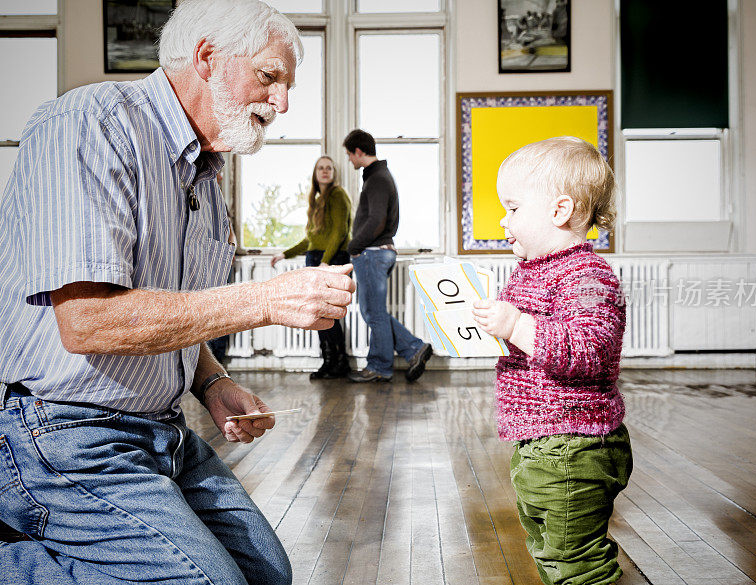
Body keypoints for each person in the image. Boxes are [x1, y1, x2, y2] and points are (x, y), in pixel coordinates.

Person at [0, 1, 356, 584]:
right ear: (207, 58)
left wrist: (210, 380)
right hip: (62, 433)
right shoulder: (91, 125)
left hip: (161, 429)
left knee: (267, 575)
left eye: (288, 86)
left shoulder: (205, 175)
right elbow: (88, 321)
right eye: (269, 76)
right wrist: (263, 301)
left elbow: (174, 309)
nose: (283, 103)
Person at [472, 137, 633, 585]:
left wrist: (516, 325)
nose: (503, 221)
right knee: (549, 546)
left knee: (574, 561)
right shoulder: (533, 270)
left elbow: (588, 351)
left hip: (574, 444)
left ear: (560, 211)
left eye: (514, 208)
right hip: (541, 441)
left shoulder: (587, 274)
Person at [343, 129, 433, 383]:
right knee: (375, 312)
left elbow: (377, 221)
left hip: (372, 253)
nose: (349, 159)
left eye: (350, 154)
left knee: (374, 313)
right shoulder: (377, 177)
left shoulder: (378, 178)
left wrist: (354, 246)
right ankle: (413, 348)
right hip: (375, 253)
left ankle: (381, 365)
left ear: (359, 152)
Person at [272, 155, 353, 379]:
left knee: (329, 316)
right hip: (316, 259)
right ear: (315, 174)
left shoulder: (338, 195)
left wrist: (325, 262)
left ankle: (340, 362)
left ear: (334, 173)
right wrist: (284, 254)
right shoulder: (317, 200)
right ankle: (328, 362)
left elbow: (340, 232)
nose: (325, 171)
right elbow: (311, 240)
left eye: (329, 168)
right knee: (319, 315)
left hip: (332, 260)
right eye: (321, 168)